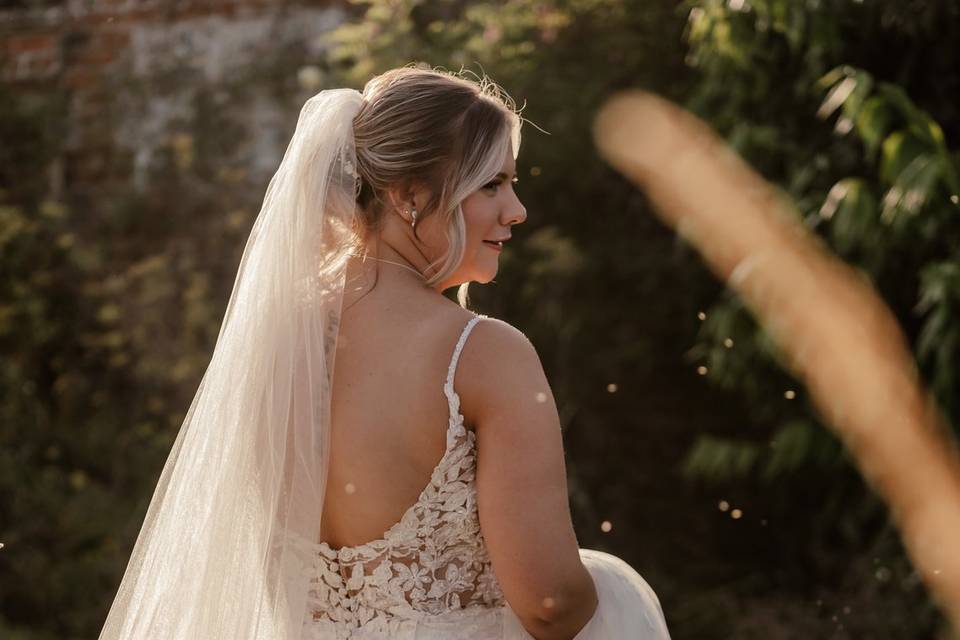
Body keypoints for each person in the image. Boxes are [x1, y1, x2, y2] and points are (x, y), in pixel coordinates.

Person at [98, 66, 670, 640]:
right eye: (491, 185)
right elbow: (551, 604)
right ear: (410, 196)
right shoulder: (485, 355)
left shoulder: (274, 346)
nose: (516, 210)